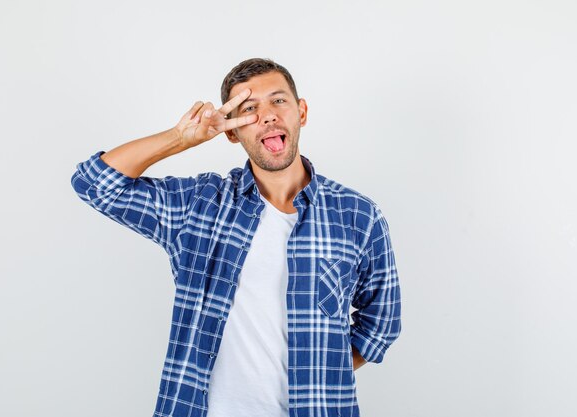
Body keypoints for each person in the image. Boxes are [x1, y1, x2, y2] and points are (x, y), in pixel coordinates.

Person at [71, 58, 401, 417]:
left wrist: (323, 372)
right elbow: (94, 184)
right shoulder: (198, 206)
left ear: (301, 112)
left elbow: (380, 326)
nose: (268, 115)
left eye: (278, 101)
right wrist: (180, 139)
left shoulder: (359, 216)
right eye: (249, 109)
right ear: (232, 131)